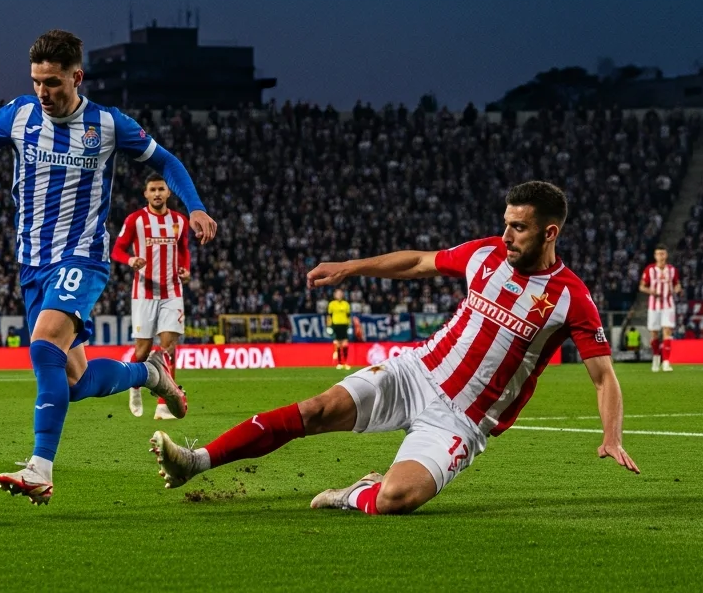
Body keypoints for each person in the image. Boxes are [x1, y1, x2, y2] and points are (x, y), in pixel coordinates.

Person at [0, 29, 217, 505]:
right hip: (32, 264)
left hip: (83, 256)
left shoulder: (108, 125)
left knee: (44, 343)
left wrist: (193, 207)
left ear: (77, 76)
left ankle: (40, 468)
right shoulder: (18, 115)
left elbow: (167, 160)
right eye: (36, 82)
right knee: (73, 380)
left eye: (53, 82)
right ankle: (151, 373)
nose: (43, 93)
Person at [149, 182, 638, 515]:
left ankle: (354, 494)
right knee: (316, 409)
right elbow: (419, 262)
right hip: (417, 372)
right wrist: (351, 266)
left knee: (397, 499)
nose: (506, 235)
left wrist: (611, 436)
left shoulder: (571, 297)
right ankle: (196, 461)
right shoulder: (486, 254)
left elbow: (603, 376)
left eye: (520, 228)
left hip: (462, 420)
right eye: (507, 223)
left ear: (550, 232)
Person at [111, 174, 191, 419]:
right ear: (145, 194)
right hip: (144, 293)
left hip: (172, 292)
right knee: (143, 350)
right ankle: (134, 387)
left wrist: (186, 270)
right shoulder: (135, 220)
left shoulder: (179, 220)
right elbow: (117, 249)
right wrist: (131, 259)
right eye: (152, 189)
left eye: (161, 189)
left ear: (168, 193)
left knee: (169, 348)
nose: (157, 193)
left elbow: (184, 250)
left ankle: (164, 403)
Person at [640, 245, 681, 372]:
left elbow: (677, 284)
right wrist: (650, 291)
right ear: (655, 256)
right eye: (658, 254)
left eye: (663, 254)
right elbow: (642, 287)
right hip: (654, 306)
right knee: (654, 333)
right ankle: (656, 358)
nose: (661, 256)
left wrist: (677, 289)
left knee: (667, 331)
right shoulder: (649, 270)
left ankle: (667, 362)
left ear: (666, 255)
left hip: (668, 305)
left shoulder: (672, 270)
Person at [327, 288, 354, 370]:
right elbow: (329, 316)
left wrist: (350, 326)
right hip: (336, 325)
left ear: (342, 295)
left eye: (340, 293)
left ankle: (345, 363)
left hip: (344, 325)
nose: (339, 295)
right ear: (335, 295)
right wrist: (328, 326)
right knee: (338, 344)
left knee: (345, 344)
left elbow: (349, 316)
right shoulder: (332, 304)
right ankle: (340, 363)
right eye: (337, 293)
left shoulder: (346, 304)